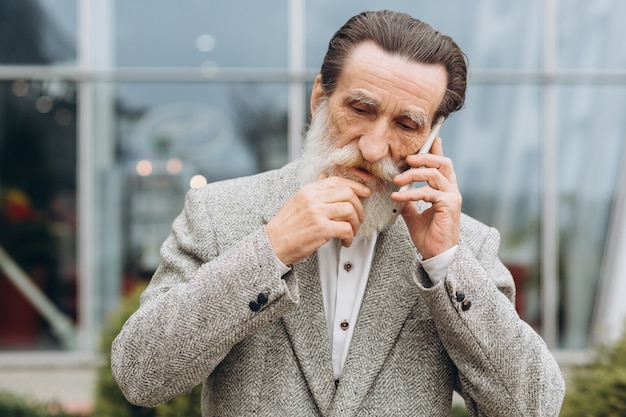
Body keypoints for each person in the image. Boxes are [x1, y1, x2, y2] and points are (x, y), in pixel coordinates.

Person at [112, 10, 565, 416]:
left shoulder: (464, 246)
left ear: (432, 136)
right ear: (319, 97)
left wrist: (446, 264)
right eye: (360, 109)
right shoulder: (219, 213)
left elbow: (534, 407)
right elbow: (140, 376)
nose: (372, 148)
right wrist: (270, 251)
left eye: (406, 125)